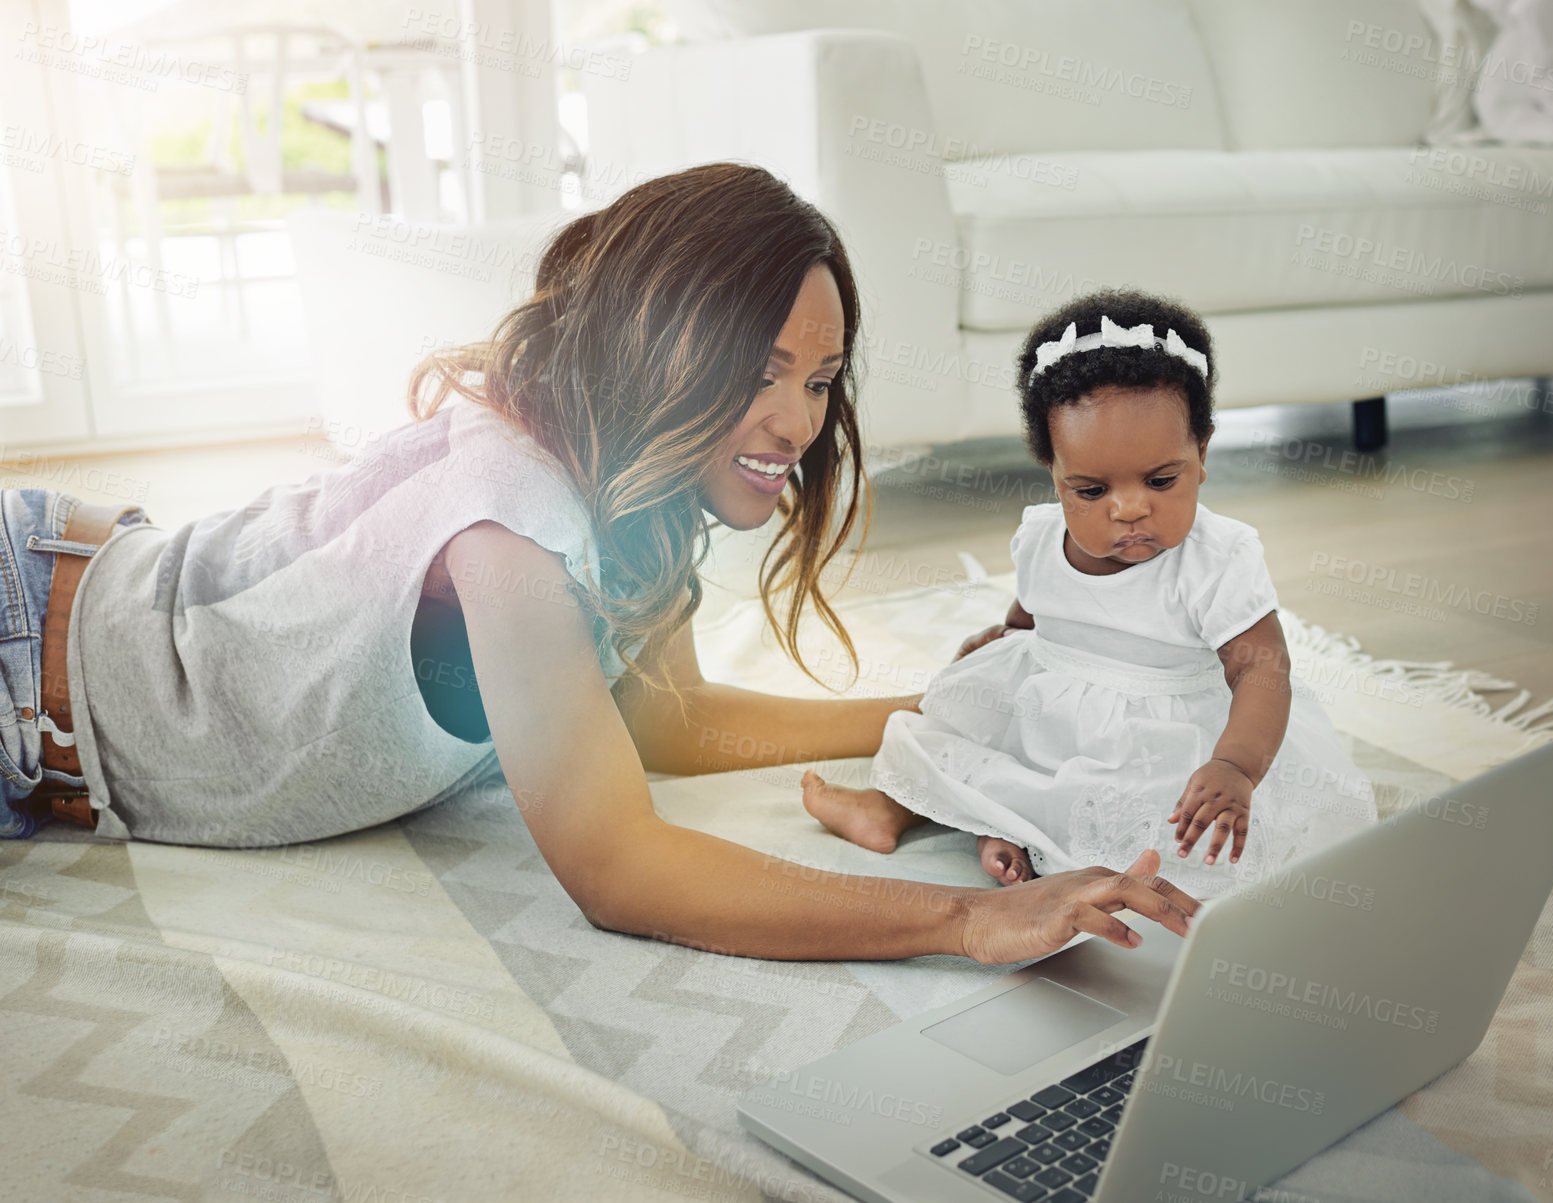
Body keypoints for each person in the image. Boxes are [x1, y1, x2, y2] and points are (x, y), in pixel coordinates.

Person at [0, 163, 1197, 964]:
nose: (794, 421)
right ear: (657, 349)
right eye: (758, 369)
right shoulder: (510, 526)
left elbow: (663, 727)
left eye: (817, 382)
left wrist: (937, 705)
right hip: (29, 646)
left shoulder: (631, 497)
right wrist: (968, 917)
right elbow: (619, 868)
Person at [801, 288, 1378, 898]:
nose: (1129, 508)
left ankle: (1012, 827)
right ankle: (893, 808)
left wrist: (1235, 765)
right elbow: (1034, 607)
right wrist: (1006, 638)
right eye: (1091, 490)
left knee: (1152, 819)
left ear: (1201, 453)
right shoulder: (1040, 536)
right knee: (950, 726)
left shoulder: (1216, 559)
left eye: (1160, 480)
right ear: (1053, 472)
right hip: (1053, 707)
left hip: (1164, 734)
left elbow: (1263, 669)